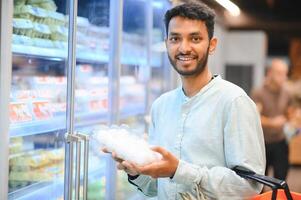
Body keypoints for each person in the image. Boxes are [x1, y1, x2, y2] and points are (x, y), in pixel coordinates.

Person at [105, 2, 265, 199]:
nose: (184, 47)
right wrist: (136, 171)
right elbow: (157, 187)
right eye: (175, 38)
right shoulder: (161, 106)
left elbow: (250, 186)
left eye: (195, 38)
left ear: (212, 45)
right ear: (167, 44)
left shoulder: (234, 102)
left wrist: (179, 170)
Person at [251, 58, 293, 181]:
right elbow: (254, 117)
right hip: (261, 143)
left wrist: (291, 118)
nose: (284, 77)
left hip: (280, 141)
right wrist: (272, 123)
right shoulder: (258, 93)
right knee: (258, 181)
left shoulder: (287, 93)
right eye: (280, 73)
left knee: (281, 179)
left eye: (285, 73)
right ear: (270, 73)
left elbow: (289, 113)